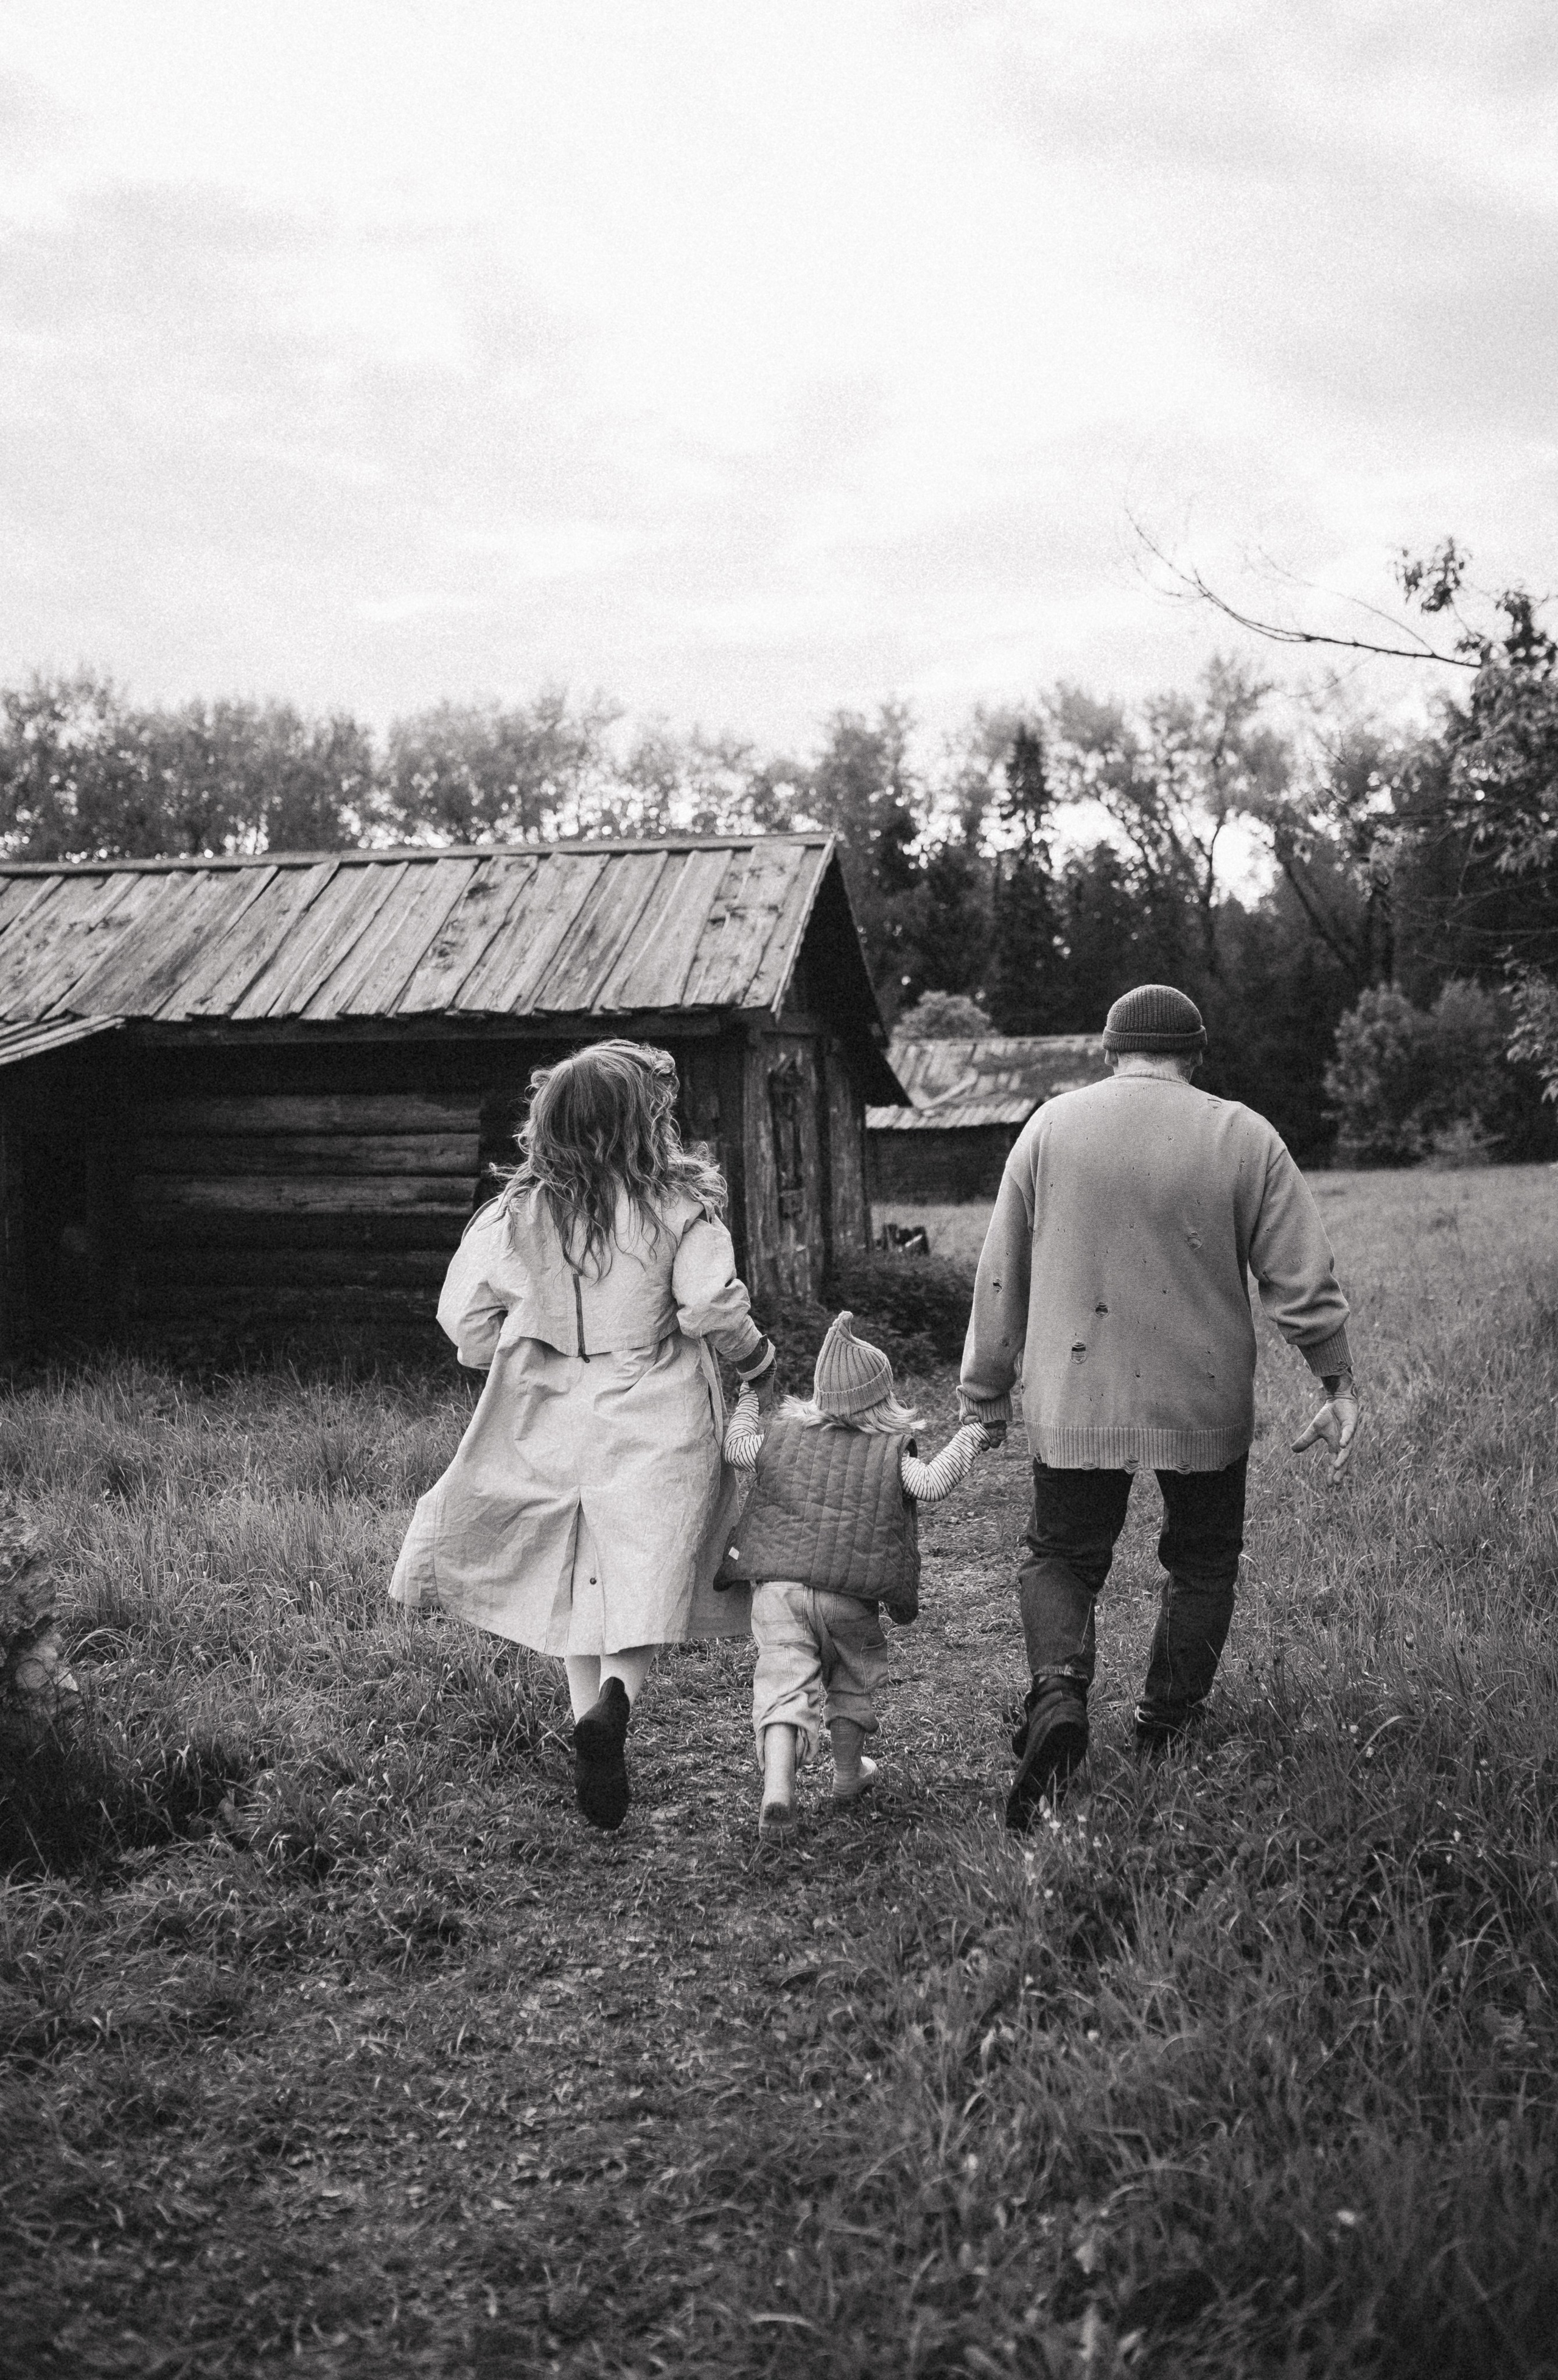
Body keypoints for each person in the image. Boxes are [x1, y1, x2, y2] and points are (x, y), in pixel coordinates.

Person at [959, 983, 1361, 1830]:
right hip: (1201, 1393)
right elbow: (1302, 1274)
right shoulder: (1243, 1134)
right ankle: (1167, 1723)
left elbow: (1003, 1270)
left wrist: (986, 1388)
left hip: (1077, 1386)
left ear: (1110, 1050)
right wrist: (1335, 1379)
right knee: (1204, 1559)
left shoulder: (1049, 1129)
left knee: (1062, 1554)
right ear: (1197, 1054)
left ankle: (1059, 1696)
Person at [390, 1039, 777, 1832]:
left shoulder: (518, 1212)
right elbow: (708, 1306)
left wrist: (506, 1346)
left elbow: (465, 1319)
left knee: (573, 1578)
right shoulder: (677, 1209)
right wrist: (759, 1363)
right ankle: (615, 1703)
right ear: (647, 1121)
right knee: (641, 1576)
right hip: (654, 1417)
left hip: (547, 1415)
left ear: (551, 1121)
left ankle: (587, 1727)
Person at [721, 1311, 990, 1838]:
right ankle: (848, 1775)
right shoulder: (890, 1453)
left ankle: (778, 1790)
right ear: (881, 1398)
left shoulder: (778, 1439)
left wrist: (749, 1400)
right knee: (849, 1680)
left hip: (779, 1589)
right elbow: (934, 1482)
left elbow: (735, 1447)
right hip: (849, 1596)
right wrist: (974, 1435)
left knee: (782, 1684)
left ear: (820, 1396)